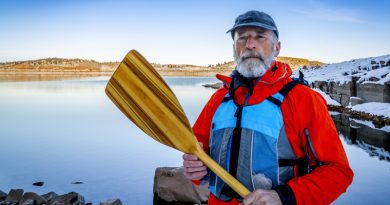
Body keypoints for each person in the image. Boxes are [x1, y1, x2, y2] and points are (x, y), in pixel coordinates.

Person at [182, 10, 353, 205]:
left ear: (277, 47)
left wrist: (285, 196)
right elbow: (197, 153)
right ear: (234, 48)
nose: (250, 44)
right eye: (242, 37)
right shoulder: (219, 99)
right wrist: (195, 170)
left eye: (260, 36)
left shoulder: (303, 99)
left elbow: (338, 172)